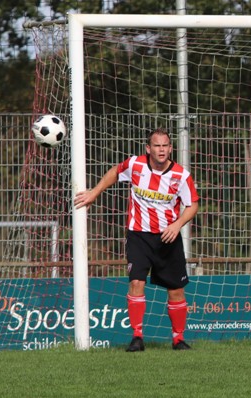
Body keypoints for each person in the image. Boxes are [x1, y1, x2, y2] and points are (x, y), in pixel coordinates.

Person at [73, 128, 199, 352]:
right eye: (157, 145)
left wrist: (177, 224)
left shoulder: (181, 175)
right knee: (136, 283)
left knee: (175, 290)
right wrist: (94, 192)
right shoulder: (135, 165)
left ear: (171, 148)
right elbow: (115, 172)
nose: (161, 150)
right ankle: (137, 337)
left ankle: (178, 339)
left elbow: (193, 205)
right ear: (148, 148)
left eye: (165, 145)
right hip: (138, 235)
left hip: (168, 237)